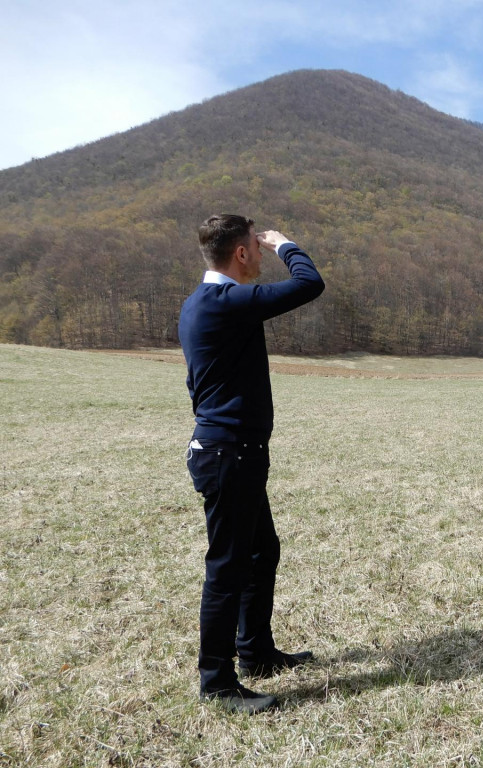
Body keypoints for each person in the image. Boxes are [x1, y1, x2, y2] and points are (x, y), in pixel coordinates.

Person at [178, 214, 325, 713]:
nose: (261, 255)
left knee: (261, 553)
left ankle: (255, 653)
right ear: (241, 253)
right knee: (227, 567)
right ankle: (217, 684)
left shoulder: (200, 305)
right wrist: (287, 244)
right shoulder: (227, 301)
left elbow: (198, 385)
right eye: (256, 248)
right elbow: (310, 284)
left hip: (231, 452)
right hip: (229, 456)